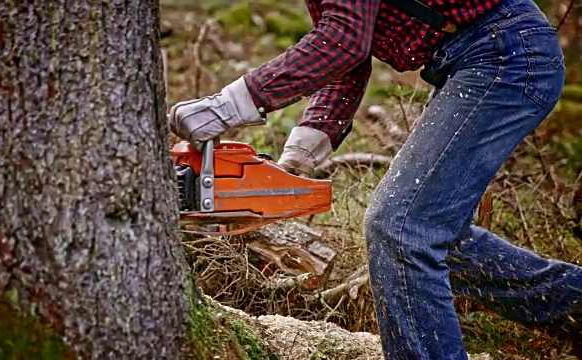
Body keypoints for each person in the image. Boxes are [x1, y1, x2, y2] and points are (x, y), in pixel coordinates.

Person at [168, 0, 582, 358]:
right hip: (486, 52)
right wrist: (305, 147)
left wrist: (230, 105)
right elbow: (350, 46)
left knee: (401, 229)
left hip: (504, 54)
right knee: (436, 236)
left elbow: (345, 39)